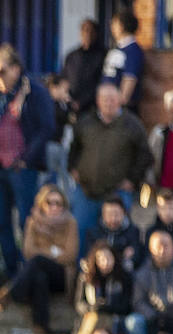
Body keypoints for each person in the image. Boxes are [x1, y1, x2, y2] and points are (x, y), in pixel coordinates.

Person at [0, 44, 56, 274]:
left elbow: (47, 128)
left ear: (16, 68)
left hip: (21, 168)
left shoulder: (35, 91)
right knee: (2, 223)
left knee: (27, 221)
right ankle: (10, 272)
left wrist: (26, 159)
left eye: (2, 72)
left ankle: (29, 272)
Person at [67, 83, 151, 254]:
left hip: (117, 194)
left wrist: (132, 179)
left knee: (118, 239)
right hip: (86, 192)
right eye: (105, 99)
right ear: (98, 101)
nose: (109, 103)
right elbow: (74, 147)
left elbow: (145, 155)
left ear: (120, 100)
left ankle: (116, 276)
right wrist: (73, 168)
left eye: (112, 99)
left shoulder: (132, 124)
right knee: (81, 234)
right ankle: (83, 275)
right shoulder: (85, 122)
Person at [0, 184, 78, 334]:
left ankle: (11, 293)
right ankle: (40, 326)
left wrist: (44, 253)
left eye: (58, 203)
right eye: (50, 202)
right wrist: (54, 251)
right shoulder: (33, 222)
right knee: (39, 276)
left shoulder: (70, 222)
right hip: (39, 272)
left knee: (38, 261)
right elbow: (28, 252)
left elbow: (70, 254)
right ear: (42, 203)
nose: (54, 206)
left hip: (62, 274)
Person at [73, 241, 133, 334]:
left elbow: (126, 306)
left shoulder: (123, 277)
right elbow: (79, 304)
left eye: (108, 258)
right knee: (94, 317)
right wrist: (93, 307)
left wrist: (107, 307)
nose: (105, 262)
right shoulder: (86, 277)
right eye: (100, 259)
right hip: (92, 316)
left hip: (116, 317)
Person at [85, 196, 142, 275]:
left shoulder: (133, 231)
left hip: (123, 274)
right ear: (103, 214)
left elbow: (135, 257)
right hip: (100, 272)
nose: (113, 218)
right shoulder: (94, 233)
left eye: (117, 214)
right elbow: (91, 256)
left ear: (124, 213)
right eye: (109, 214)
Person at [60, 19, 106, 118]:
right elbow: (64, 79)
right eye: (84, 30)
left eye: (91, 31)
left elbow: (102, 83)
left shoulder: (103, 55)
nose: (87, 34)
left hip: (93, 109)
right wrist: (67, 98)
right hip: (71, 108)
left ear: (96, 34)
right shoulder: (72, 56)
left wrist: (82, 102)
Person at [103, 7, 144, 110]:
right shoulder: (118, 48)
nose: (111, 27)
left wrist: (117, 105)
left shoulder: (133, 51)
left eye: (114, 24)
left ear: (121, 26)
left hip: (120, 110)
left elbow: (129, 80)